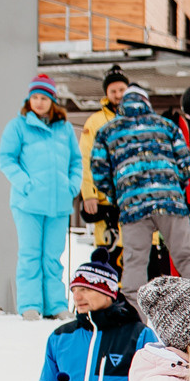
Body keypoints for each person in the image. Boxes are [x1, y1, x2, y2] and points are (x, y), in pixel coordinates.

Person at [91, 86, 190, 298]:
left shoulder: (107, 130)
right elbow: (186, 165)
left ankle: (135, 322)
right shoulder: (167, 126)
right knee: (187, 258)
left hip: (132, 206)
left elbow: (98, 171)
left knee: (135, 263)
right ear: (146, 102)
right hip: (171, 203)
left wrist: (117, 197)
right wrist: (174, 189)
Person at [0, 74, 85, 320]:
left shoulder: (65, 128)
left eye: (44, 97)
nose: (39, 102)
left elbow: (76, 161)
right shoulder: (17, 126)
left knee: (52, 257)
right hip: (28, 204)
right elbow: (6, 159)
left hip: (58, 205)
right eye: (35, 97)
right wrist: (25, 184)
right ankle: (30, 305)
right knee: (30, 254)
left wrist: (72, 186)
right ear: (29, 99)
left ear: (52, 101)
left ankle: (56, 305)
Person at [79, 67, 131, 266]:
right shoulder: (95, 122)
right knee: (108, 256)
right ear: (107, 94)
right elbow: (85, 158)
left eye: (121, 90)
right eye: (113, 91)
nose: (118, 95)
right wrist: (88, 194)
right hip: (106, 201)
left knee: (137, 256)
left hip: (133, 200)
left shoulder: (137, 118)